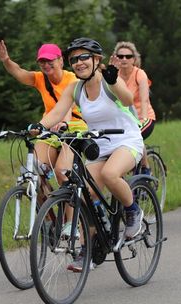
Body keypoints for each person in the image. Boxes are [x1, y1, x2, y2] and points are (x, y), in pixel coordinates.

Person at [28, 37, 144, 271]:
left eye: (83, 57)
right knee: (81, 192)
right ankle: (90, 246)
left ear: (96, 59)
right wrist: (38, 127)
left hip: (127, 139)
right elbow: (57, 112)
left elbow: (128, 99)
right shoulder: (75, 88)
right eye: (74, 60)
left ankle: (133, 212)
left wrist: (115, 80)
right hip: (100, 145)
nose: (78, 63)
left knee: (111, 174)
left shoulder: (108, 80)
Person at [0, 40, 87, 183]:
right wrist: (6, 60)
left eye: (50, 60)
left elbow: (68, 106)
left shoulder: (72, 79)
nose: (46, 64)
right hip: (49, 128)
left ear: (61, 60)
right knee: (35, 174)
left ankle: (70, 202)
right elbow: (19, 72)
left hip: (73, 127)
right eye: (42, 61)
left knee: (62, 173)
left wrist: (63, 122)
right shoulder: (40, 78)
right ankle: (46, 204)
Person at [110, 41, 156, 174]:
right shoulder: (115, 76)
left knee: (135, 133)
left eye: (128, 56)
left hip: (143, 116)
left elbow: (144, 99)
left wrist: (144, 119)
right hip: (124, 119)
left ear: (134, 59)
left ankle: (146, 167)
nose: (124, 59)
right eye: (120, 56)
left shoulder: (139, 74)